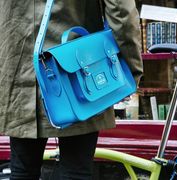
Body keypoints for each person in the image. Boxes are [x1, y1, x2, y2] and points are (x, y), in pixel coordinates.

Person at [0, 0, 143, 179]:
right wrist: (130, 71)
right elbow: (121, 12)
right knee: (76, 172)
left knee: (22, 171)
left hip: (17, 73)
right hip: (78, 73)